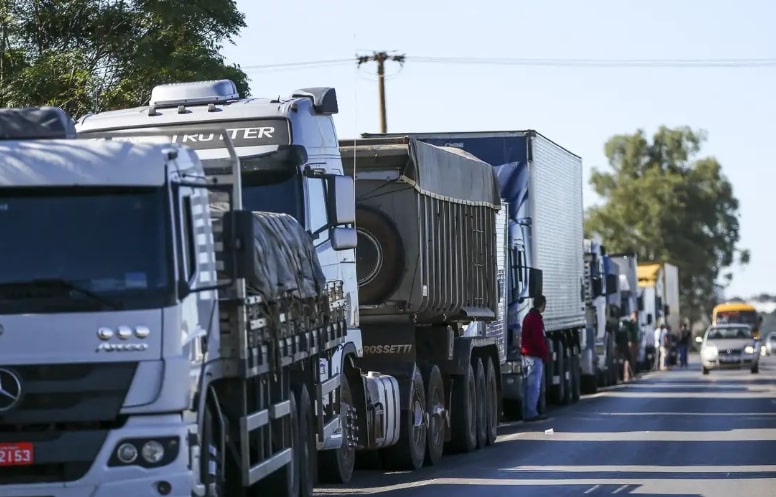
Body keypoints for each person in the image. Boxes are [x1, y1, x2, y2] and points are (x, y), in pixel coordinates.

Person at [521, 295, 549, 422]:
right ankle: (531, 412)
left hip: (526, 356)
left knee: (528, 386)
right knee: (534, 386)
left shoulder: (528, 317)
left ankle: (528, 412)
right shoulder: (536, 319)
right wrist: (544, 353)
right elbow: (538, 339)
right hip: (534, 356)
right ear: (542, 304)